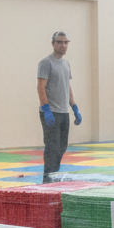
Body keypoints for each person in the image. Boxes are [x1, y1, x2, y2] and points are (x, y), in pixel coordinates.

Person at [37, 30, 82, 181]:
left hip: (64, 112)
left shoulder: (66, 64)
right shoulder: (46, 63)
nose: (63, 45)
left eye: (66, 42)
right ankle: (47, 180)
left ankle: (54, 176)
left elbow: (67, 85)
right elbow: (40, 87)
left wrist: (74, 107)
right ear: (53, 44)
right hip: (51, 112)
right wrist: (46, 109)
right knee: (52, 147)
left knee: (62, 147)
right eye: (60, 42)